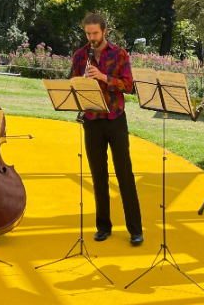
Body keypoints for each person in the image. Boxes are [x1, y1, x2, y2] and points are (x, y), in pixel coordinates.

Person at [71, 13, 143, 245]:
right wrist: (82, 84)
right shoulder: (80, 55)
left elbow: (129, 85)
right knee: (98, 175)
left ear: (104, 32)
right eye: (88, 33)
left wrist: (103, 77)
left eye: (95, 33)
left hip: (114, 118)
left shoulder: (119, 54)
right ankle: (103, 226)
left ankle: (135, 229)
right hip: (92, 119)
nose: (91, 38)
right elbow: (73, 84)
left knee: (124, 173)